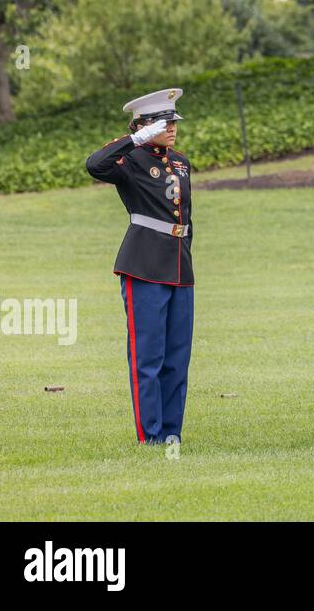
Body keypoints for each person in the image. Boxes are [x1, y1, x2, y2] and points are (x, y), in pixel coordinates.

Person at [85, 89, 194, 445]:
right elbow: (94, 164)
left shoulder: (180, 163)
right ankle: (149, 437)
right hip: (143, 265)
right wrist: (134, 140)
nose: (172, 128)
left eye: (173, 121)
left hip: (179, 265)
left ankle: (171, 434)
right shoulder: (129, 161)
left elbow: (185, 217)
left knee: (177, 358)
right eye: (164, 123)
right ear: (144, 126)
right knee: (148, 357)